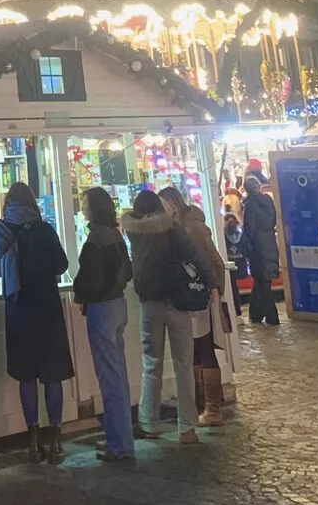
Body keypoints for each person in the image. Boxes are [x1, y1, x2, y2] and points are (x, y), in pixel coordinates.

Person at [122, 190, 218, 445]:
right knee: (183, 364)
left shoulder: (134, 232)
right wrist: (212, 283)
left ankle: (148, 421)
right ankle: (186, 427)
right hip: (177, 302)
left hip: (149, 304)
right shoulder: (172, 228)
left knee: (151, 363)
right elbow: (195, 255)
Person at [0, 183, 73, 465]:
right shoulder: (43, 230)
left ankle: (33, 442)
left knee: (26, 376)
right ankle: (57, 439)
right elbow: (61, 265)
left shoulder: (0, 232)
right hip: (46, 307)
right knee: (52, 373)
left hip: (18, 309)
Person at [72, 187, 135, 463]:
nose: (82, 207)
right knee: (117, 375)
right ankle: (118, 438)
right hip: (118, 304)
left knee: (109, 378)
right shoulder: (116, 235)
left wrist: (81, 292)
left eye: (84, 203)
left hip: (102, 308)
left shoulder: (95, 240)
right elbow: (127, 270)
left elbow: (90, 280)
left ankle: (119, 444)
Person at [159, 187, 229, 428]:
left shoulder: (191, 227)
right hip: (194, 295)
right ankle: (202, 403)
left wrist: (215, 288)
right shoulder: (179, 226)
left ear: (173, 204)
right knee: (196, 350)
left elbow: (213, 259)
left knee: (204, 347)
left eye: (164, 205)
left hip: (200, 295)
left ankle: (213, 407)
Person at [242, 176, 281, 326]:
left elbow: (249, 229)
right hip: (270, 244)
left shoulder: (250, 205)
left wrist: (247, 245)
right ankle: (255, 314)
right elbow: (272, 222)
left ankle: (272, 317)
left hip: (258, 248)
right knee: (263, 281)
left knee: (262, 282)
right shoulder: (268, 202)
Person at [223, 213, 246, 317]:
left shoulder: (222, 236)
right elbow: (248, 249)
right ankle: (238, 311)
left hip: (229, 266)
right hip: (240, 265)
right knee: (234, 288)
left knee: (232, 288)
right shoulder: (241, 236)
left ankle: (235, 312)